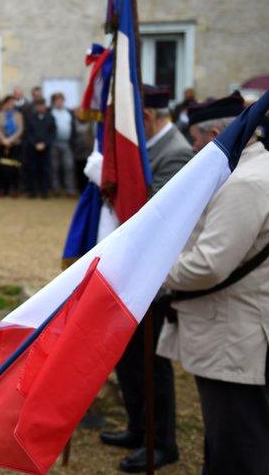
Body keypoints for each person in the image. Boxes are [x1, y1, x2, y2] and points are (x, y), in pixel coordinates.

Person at [158, 96, 269, 475]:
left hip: (235, 335)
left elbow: (207, 266)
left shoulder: (245, 183)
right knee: (225, 443)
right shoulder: (257, 169)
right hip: (233, 331)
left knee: (240, 449)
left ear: (217, 135)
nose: (191, 149)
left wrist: (153, 270)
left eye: (195, 140)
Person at [102, 85, 191, 472]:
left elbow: (155, 211)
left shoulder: (176, 153)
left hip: (155, 274)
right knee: (128, 356)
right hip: (132, 271)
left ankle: (161, 442)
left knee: (152, 363)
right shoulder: (150, 147)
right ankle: (138, 426)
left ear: (149, 118)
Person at [24, 98, 55, 198]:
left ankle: (44, 192)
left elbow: (52, 133)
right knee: (32, 170)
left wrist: (44, 144)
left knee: (45, 170)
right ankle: (33, 192)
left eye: (42, 105)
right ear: (36, 106)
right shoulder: (30, 117)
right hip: (32, 148)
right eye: (38, 105)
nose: (40, 107)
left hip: (46, 149)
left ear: (45, 106)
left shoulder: (50, 118)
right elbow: (28, 133)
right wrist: (35, 144)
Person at [0, 95, 24, 196]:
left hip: (15, 145)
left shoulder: (18, 115)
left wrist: (10, 140)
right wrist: (4, 140)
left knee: (15, 167)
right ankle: (2, 189)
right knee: (2, 168)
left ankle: (14, 189)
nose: (11, 105)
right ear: (5, 103)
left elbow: (20, 129)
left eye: (12, 103)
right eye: (9, 103)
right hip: (1, 144)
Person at [49, 92, 77, 196]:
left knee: (69, 166)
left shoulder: (69, 113)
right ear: (53, 102)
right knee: (54, 167)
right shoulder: (50, 112)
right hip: (54, 143)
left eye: (61, 100)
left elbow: (73, 128)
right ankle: (55, 188)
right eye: (57, 100)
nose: (59, 102)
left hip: (67, 144)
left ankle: (70, 189)